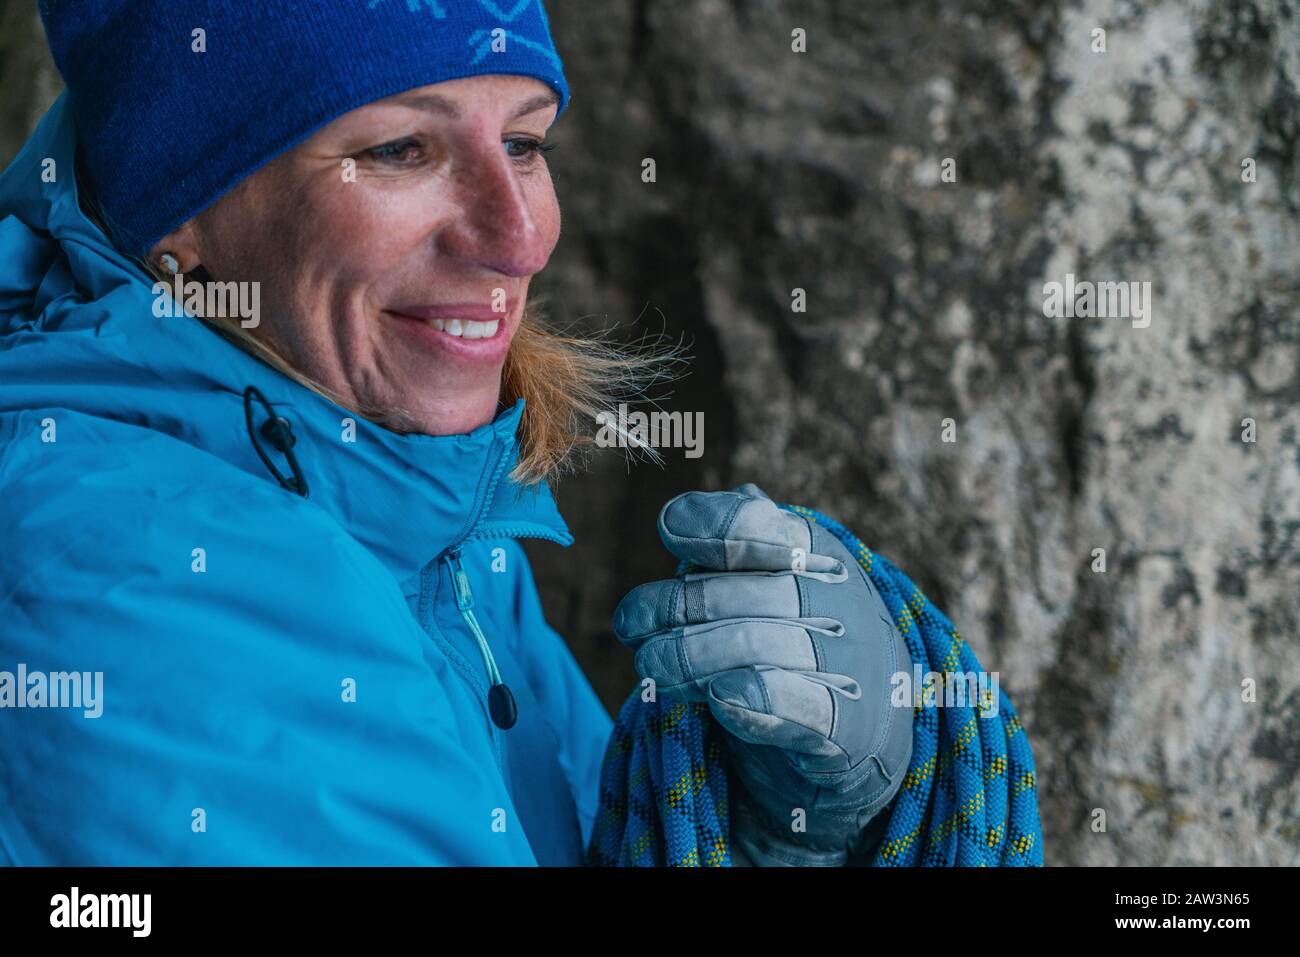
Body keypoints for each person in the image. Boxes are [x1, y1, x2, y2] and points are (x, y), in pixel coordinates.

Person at [0, 0, 912, 866]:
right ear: (182, 212)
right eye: (400, 148)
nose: (519, 238)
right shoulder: (138, 588)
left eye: (523, 142)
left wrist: (775, 823)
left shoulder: (419, 518)